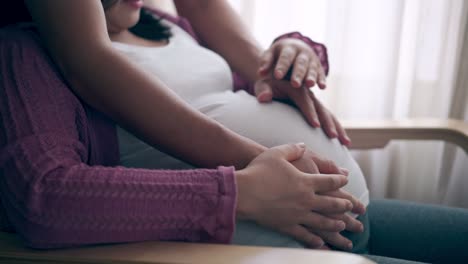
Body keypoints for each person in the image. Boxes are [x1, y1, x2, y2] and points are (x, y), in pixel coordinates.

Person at [0, 1, 467, 263]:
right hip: (280, 251)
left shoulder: (166, 25)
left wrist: (292, 53)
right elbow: (45, 197)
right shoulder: (28, 53)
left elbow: (243, 92)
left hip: (349, 216)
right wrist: (237, 192)